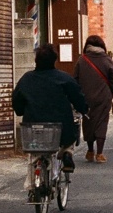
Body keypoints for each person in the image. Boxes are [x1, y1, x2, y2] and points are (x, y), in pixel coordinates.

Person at [12, 44, 87, 172]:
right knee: (68, 139)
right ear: (54, 60)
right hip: (60, 128)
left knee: (34, 150)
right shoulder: (64, 78)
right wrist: (84, 109)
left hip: (33, 126)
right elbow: (78, 97)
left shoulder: (26, 79)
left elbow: (16, 100)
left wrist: (20, 110)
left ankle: (34, 182)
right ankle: (67, 153)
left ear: (36, 60)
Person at [74, 34, 113, 163]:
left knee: (88, 122)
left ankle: (89, 151)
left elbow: (75, 79)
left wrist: (79, 96)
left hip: (86, 96)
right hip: (103, 96)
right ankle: (99, 153)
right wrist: (110, 94)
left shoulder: (82, 60)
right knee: (101, 122)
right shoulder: (107, 59)